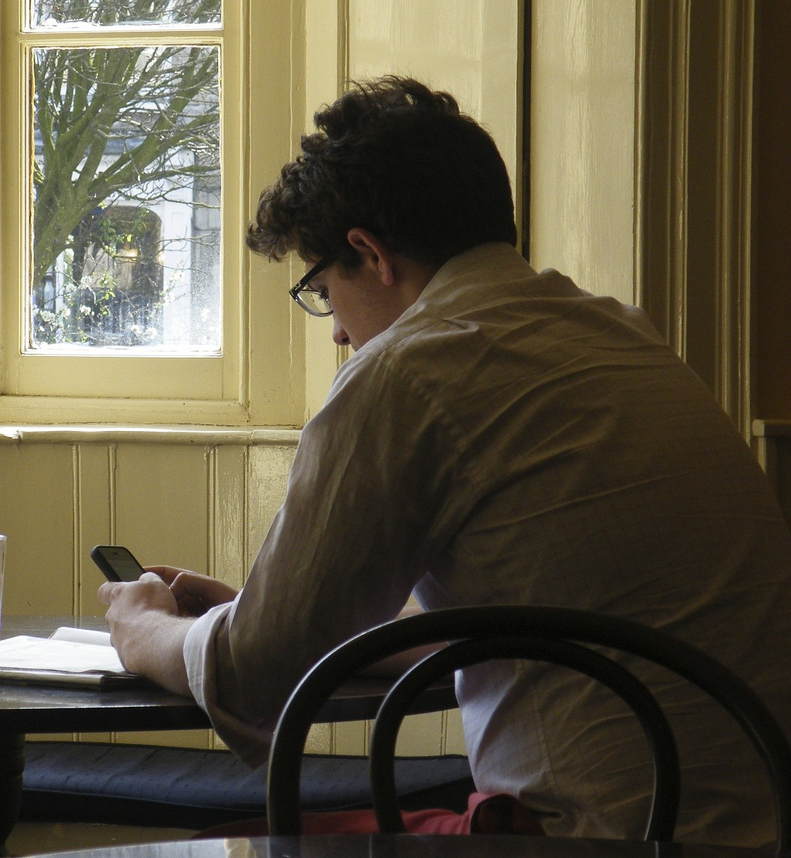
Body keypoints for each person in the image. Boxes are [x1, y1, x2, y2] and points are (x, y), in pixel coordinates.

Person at [99, 76, 791, 845]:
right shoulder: (622, 338)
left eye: (325, 290)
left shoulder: (410, 372)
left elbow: (250, 677)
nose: (336, 333)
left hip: (589, 839)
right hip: (759, 823)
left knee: (227, 843)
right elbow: (565, 617)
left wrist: (143, 629)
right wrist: (283, 621)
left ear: (369, 252)